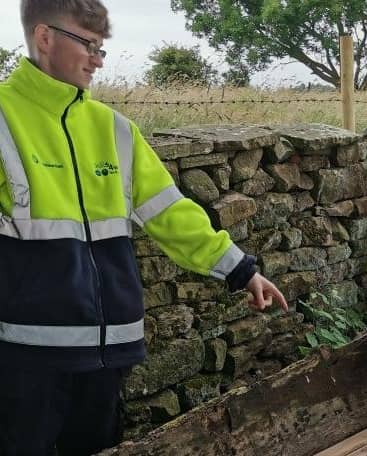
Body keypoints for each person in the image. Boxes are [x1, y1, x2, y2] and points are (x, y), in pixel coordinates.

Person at [0, 1, 287, 454]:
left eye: (102, 49)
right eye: (88, 45)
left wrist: (240, 269)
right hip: (26, 356)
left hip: (109, 352)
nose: (97, 59)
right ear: (44, 37)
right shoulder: (2, 118)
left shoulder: (115, 129)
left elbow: (171, 213)